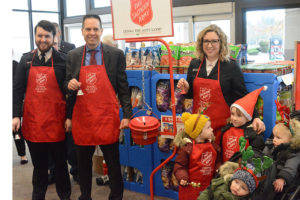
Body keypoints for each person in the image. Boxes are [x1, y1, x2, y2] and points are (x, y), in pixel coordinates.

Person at [66, 14, 132, 200]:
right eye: (88, 29)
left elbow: (123, 88)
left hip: (106, 117)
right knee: (83, 165)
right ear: (82, 32)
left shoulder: (115, 55)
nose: (92, 33)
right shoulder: (73, 56)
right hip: (83, 118)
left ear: (101, 31)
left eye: (95, 29)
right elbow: (66, 83)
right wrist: (69, 85)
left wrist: (127, 114)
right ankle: (85, 196)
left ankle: (116, 196)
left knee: (112, 163)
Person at [177, 24, 265, 145]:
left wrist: (255, 117)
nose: (209, 45)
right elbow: (191, 95)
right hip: (200, 129)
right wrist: (187, 88)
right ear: (201, 44)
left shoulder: (231, 66)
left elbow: (243, 97)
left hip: (224, 128)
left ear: (221, 43)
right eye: (206, 41)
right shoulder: (194, 64)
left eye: (214, 41)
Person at [12, 20, 71, 200]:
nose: (43, 39)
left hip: (57, 124)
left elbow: (70, 93)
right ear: (35, 37)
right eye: (40, 35)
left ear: (54, 37)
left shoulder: (63, 60)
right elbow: (17, 89)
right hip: (34, 122)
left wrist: (69, 117)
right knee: (39, 167)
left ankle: (65, 196)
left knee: (61, 166)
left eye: (47, 36)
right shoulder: (25, 60)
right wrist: (15, 115)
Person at [47, 22, 78, 185]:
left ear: (58, 33)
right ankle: (54, 171)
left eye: (53, 34)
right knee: (52, 143)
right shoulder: (40, 54)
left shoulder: (70, 49)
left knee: (71, 143)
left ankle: (76, 170)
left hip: (67, 99)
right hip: (51, 106)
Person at [198, 139, 273, 200]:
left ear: (249, 192)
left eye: (243, 188)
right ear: (232, 178)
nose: (237, 188)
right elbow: (208, 192)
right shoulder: (221, 183)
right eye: (236, 182)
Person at [173, 112, 217, 200]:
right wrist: (182, 177)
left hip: (208, 187)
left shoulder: (213, 146)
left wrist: (218, 169)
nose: (212, 129)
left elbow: (217, 160)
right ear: (198, 132)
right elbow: (179, 165)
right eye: (208, 128)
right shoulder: (187, 148)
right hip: (190, 189)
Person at [220, 86, 266, 163]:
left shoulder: (253, 134)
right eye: (232, 114)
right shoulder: (226, 129)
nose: (234, 118)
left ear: (247, 118)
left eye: (239, 115)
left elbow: (256, 156)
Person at [261, 112, 300, 200]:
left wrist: (282, 179)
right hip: (268, 174)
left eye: (278, 138)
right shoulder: (272, 145)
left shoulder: (293, 153)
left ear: (291, 140)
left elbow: (290, 168)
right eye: (274, 136)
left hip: (280, 179)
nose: (274, 140)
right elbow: (263, 156)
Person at [12, 58, 28, 165]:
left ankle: (22, 154)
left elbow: (19, 85)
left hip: (12, 99)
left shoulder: (14, 64)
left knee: (16, 129)